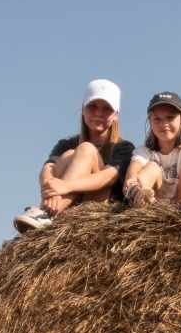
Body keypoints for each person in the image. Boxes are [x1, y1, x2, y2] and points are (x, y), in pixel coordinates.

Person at [13, 79, 135, 233]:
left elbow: (108, 177)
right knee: (71, 153)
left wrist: (66, 186)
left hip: (99, 209)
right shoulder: (66, 144)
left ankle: (46, 213)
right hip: (69, 208)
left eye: (107, 109)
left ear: (116, 115)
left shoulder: (124, 148)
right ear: (83, 108)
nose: (98, 113)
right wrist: (51, 186)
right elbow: (47, 170)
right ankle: (48, 213)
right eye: (92, 106)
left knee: (86, 149)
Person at [123, 91, 181, 214]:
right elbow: (135, 165)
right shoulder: (144, 151)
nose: (164, 124)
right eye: (157, 119)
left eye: (170, 118)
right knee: (152, 167)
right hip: (154, 203)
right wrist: (131, 178)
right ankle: (139, 194)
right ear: (150, 122)